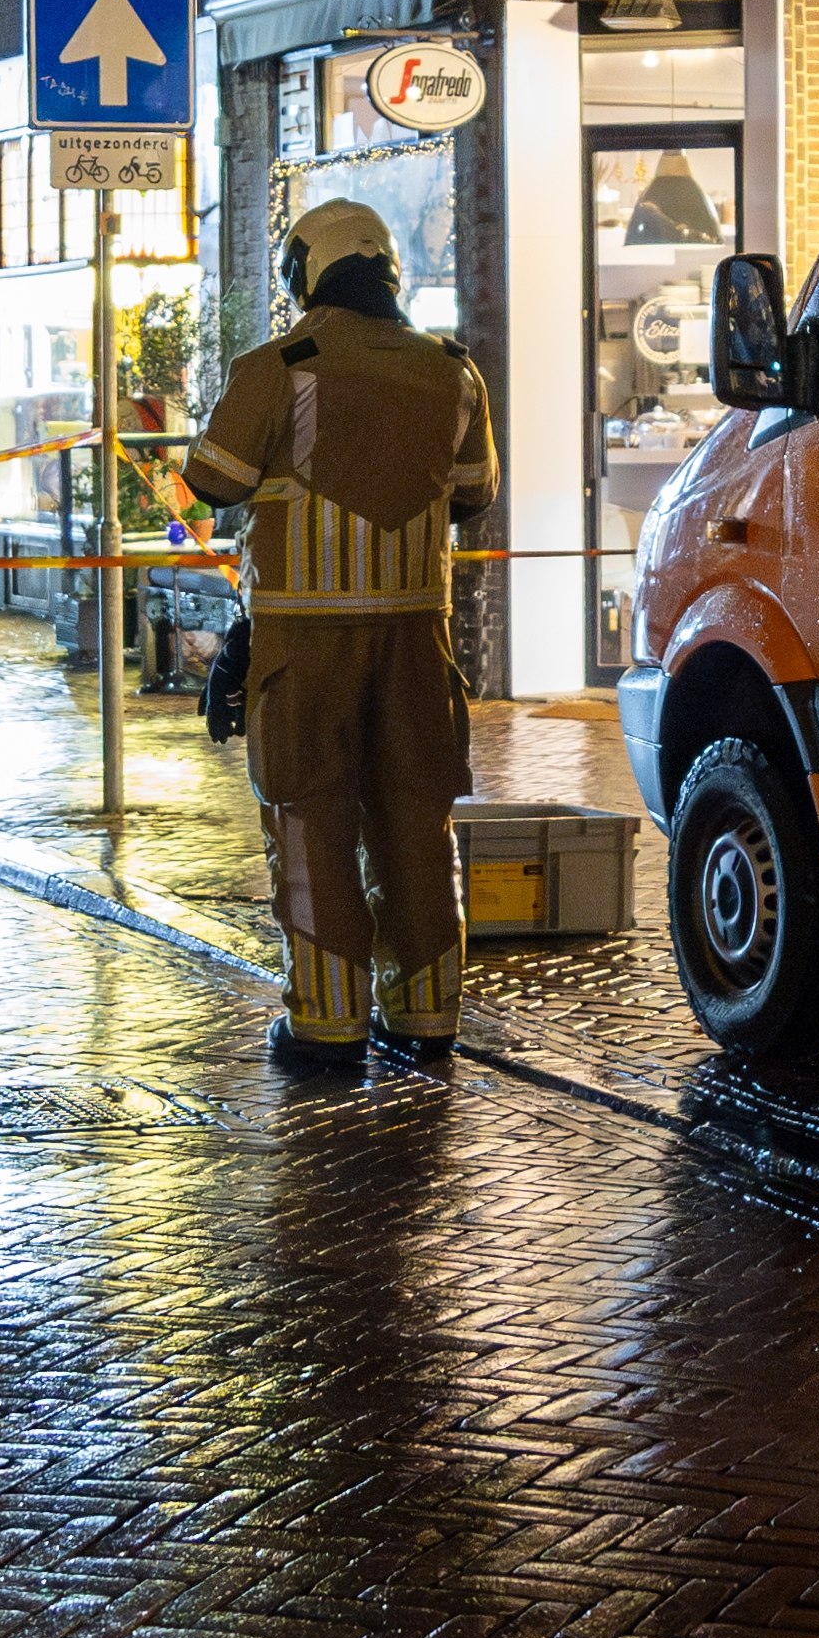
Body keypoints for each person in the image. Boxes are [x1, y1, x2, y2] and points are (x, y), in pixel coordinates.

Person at [182, 197, 497, 1067]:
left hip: (303, 642)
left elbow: (212, 480)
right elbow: (475, 493)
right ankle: (426, 1013)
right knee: (417, 820)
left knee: (309, 817)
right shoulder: (453, 369)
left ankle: (326, 1022)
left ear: (302, 272)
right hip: (417, 636)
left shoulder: (278, 365)